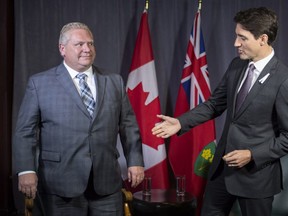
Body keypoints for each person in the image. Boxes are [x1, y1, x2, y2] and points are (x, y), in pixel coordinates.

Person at [152, 7, 288, 216]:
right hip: (222, 173)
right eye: (236, 36)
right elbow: (215, 104)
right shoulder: (237, 66)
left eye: (242, 38)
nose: (236, 43)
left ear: (263, 39)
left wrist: (252, 155)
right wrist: (180, 122)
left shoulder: (283, 79)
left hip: (256, 178)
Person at [13, 22, 145, 216]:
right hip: (60, 184)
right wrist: (26, 170)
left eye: (90, 44)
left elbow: (128, 125)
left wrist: (135, 160)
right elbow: (25, 131)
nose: (87, 49)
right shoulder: (40, 83)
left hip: (106, 184)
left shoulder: (114, 81)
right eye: (80, 44)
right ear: (62, 49)